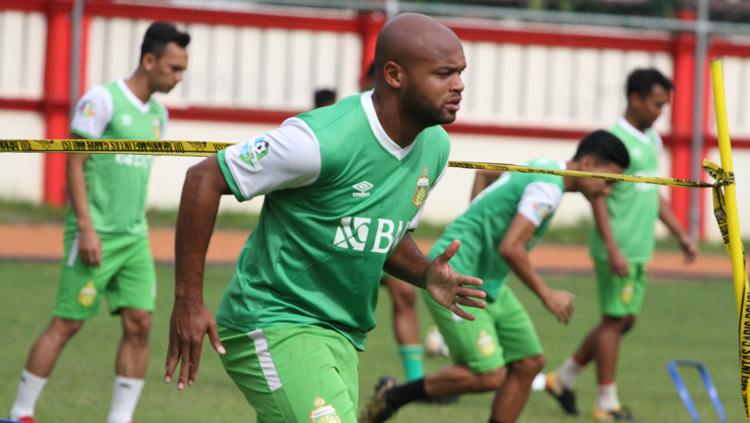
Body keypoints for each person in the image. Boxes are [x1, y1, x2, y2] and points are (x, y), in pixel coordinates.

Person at [163, 13, 486, 423]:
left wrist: (425, 274)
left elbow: (383, 237)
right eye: (444, 73)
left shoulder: (435, 147)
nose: (459, 85)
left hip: (342, 333)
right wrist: (188, 301)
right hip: (272, 320)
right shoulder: (319, 140)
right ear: (394, 75)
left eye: (460, 73)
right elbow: (203, 179)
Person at [360, 130, 631, 423]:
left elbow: (485, 173)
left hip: (491, 283)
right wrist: (547, 294)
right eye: (609, 180)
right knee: (489, 376)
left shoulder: (544, 167)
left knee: (529, 363)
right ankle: (393, 396)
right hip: (455, 274)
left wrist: (476, 217)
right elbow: (511, 248)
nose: (608, 191)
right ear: (588, 163)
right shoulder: (548, 188)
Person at [8, 22, 189, 423]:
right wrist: (86, 227)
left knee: (140, 323)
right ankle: (21, 413)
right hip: (95, 234)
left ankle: (119, 419)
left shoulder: (159, 115)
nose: (178, 78)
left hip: (134, 238)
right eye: (174, 68)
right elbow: (74, 163)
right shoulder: (101, 101)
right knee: (68, 322)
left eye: (182, 70)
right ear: (149, 60)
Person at [545, 68, 698, 421]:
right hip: (619, 246)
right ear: (635, 99)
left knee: (624, 320)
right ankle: (606, 403)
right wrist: (613, 248)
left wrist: (680, 234)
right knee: (615, 321)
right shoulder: (612, 141)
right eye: (657, 104)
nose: (662, 111)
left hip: (640, 247)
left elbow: (654, 192)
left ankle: (563, 378)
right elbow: (596, 197)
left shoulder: (652, 141)